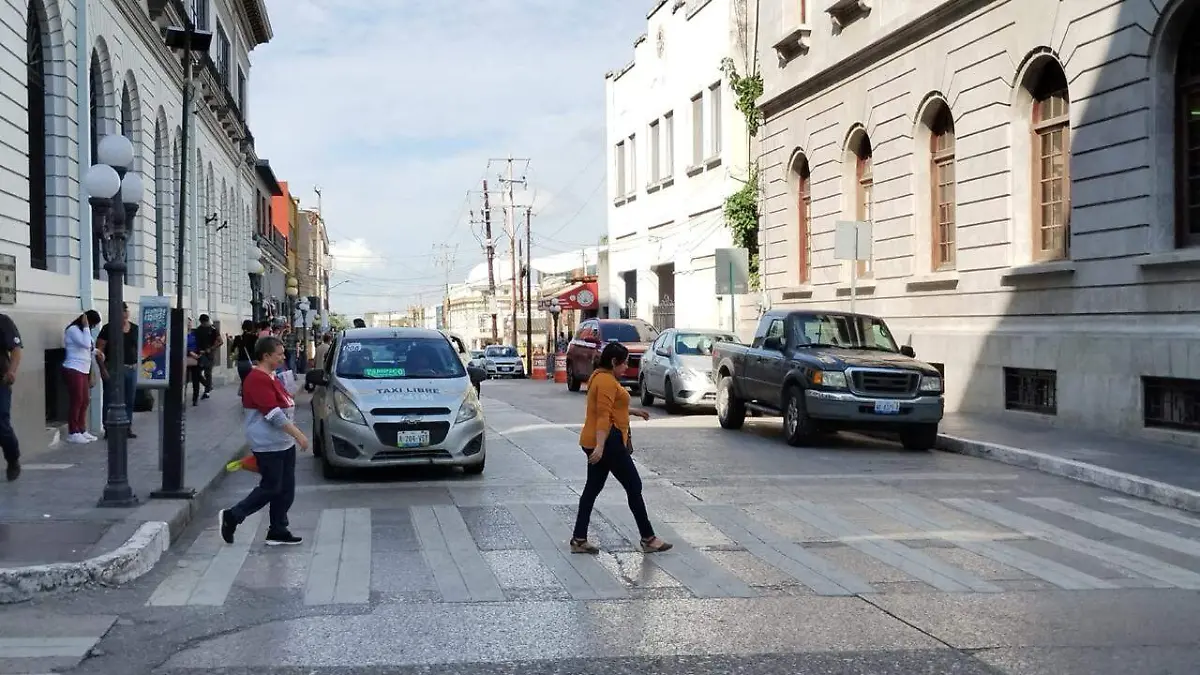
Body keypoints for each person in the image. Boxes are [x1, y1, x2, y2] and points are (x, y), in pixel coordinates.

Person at [570, 341, 671, 554]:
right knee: (634, 486)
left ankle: (579, 539)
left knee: (592, 489)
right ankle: (648, 538)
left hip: (599, 440)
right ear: (614, 362)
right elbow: (603, 416)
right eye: (624, 363)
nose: (626, 367)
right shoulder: (606, 381)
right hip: (609, 441)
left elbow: (612, 406)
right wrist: (600, 446)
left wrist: (633, 411)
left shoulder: (599, 376)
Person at [219, 336, 307, 546]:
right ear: (266, 356)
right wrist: (299, 435)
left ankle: (278, 528)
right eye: (279, 354)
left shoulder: (270, 376)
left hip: (283, 443)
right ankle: (233, 515)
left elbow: (285, 402)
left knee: (286, 489)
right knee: (271, 487)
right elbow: (273, 414)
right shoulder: (256, 378)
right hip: (268, 444)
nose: (283, 357)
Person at [96, 303, 140, 439]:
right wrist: (103, 369)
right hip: (114, 369)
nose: (126, 313)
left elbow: (141, 349)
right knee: (111, 398)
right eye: (123, 311)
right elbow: (99, 350)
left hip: (131, 368)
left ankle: (127, 427)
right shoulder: (107, 329)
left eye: (126, 310)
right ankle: (109, 428)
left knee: (129, 399)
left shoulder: (135, 329)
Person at [63, 310, 103, 444]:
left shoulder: (85, 332)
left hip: (84, 369)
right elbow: (85, 344)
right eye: (92, 324)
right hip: (73, 368)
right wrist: (85, 326)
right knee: (77, 400)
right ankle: (73, 431)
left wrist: (97, 352)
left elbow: (89, 348)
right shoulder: (73, 330)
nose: (92, 328)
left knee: (85, 400)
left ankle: (81, 429)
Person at [0, 312, 22, 480]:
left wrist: (12, 371)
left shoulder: (3, 321)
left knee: (1, 424)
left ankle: (13, 458)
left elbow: (15, 349)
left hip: (1, 380)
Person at [193, 314, 222, 400]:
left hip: (209, 354)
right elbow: (196, 342)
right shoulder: (198, 330)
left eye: (206, 322)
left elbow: (220, 341)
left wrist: (211, 348)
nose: (206, 324)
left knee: (208, 373)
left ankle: (207, 391)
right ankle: (208, 385)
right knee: (197, 373)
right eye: (204, 322)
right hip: (200, 354)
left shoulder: (213, 329)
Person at [232, 320, 257, 396]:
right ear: (252, 328)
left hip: (241, 362)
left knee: (243, 381)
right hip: (252, 362)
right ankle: (250, 398)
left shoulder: (238, 338)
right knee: (252, 382)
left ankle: (244, 398)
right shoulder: (254, 338)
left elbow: (232, 349)